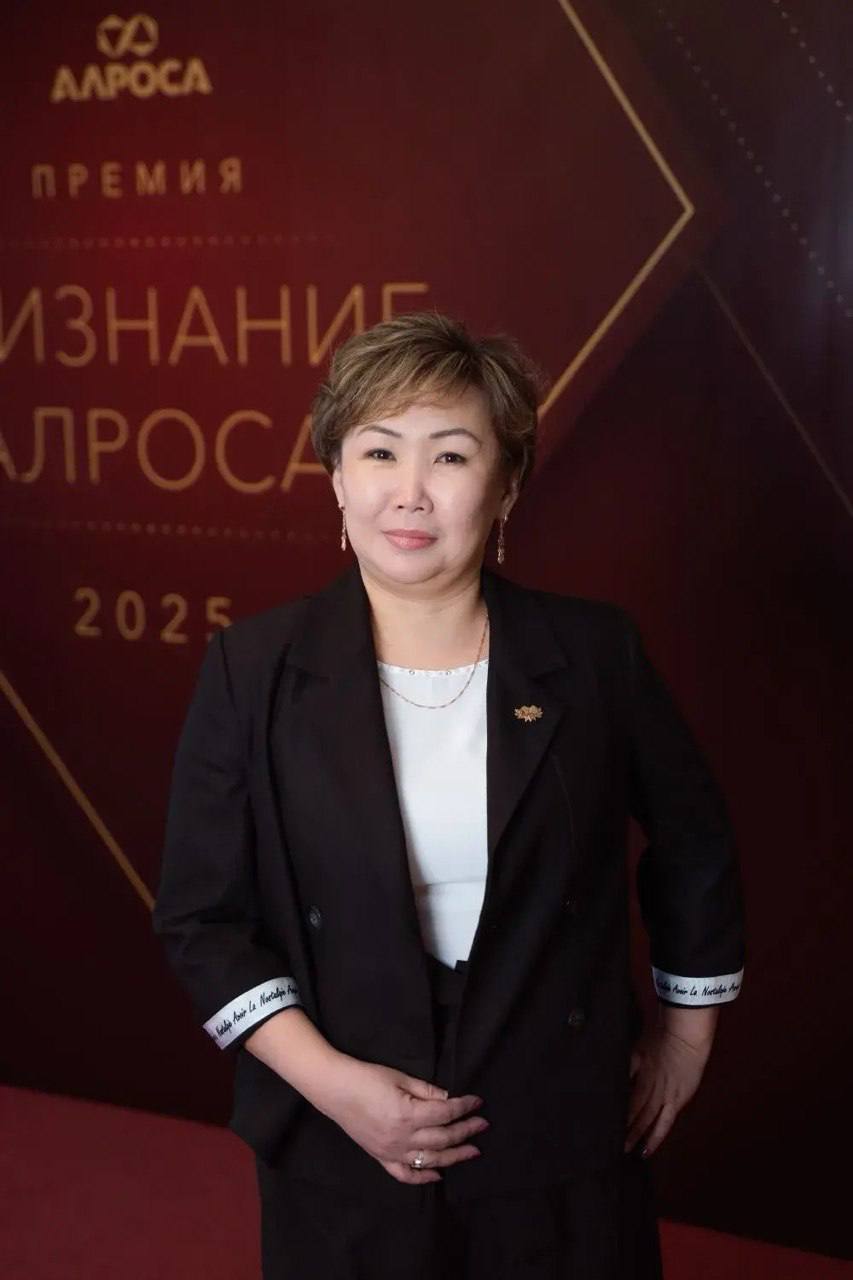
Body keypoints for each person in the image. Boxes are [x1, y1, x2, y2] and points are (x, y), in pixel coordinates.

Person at [152, 311, 745, 1278]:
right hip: (339, 1138)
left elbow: (695, 841)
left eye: (452, 456)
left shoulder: (594, 655)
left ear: (505, 484)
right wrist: (333, 1087)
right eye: (380, 450)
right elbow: (200, 918)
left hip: (559, 1136)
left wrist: (685, 1038)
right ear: (336, 476)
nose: (410, 492)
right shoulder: (251, 669)